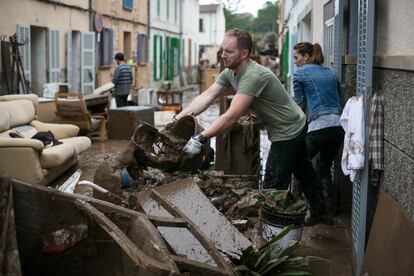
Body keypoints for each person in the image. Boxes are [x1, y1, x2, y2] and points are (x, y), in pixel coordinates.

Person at [175, 28, 330, 225]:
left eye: (228, 51)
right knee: (303, 170)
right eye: (222, 50)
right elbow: (206, 97)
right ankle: (321, 211)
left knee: (272, 186)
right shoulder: (229, 73)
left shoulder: (253, 75)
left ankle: (272, 234)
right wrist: (178, 119)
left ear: (244, 54)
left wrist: (201, 138)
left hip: (288, 129)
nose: (223, 55)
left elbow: (232, 115)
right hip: (292, 123)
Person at [292, 42, 344, 213]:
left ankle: (295, 208)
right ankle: (328, 212)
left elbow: (299, 103)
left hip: (319, 127)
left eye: (296, 57)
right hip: (338, 128)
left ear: (306, 57)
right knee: (323, 169)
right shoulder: (331, 73)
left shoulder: (300, 74)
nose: (295, 61)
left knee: (298, 164)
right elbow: (339, 99)